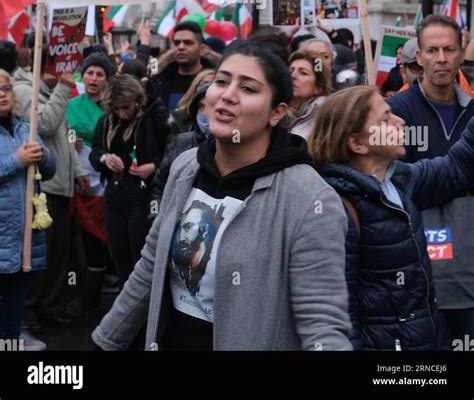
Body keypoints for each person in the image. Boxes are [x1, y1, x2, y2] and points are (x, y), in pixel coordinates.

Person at [92, 41, 352, 351]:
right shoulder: (186, 167)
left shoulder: (308, 199)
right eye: (221, 81)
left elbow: (321, 321)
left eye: (249, 89)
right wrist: (105, 341)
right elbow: (150, 267)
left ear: (277, 112)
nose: (227, 95)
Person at [309, 86, 474, 350]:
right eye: (385, 120)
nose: (401, 122)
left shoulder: (399, 180)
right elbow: (340, 317)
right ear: (357, 143)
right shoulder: (337, 208)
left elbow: (459, 167)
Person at [389, 15, 474, 346]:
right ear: (419, 56)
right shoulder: (395, 111)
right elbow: (394, 183)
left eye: (449, 49)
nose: (441, 59)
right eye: (433, 50)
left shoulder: (472, 109)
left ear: (461, 52)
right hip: (419, 256)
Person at [14, 49, 89, 330]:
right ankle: (29, 311)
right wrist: (63, 88)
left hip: (61, 183)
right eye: (60, 64)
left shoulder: (48, 90)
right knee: (41, 253)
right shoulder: (24, 90)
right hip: (45, 186)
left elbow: (64, 135)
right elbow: (44, 125)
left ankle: (48, 305)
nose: (66, 70)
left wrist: (78, 171)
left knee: (58, 252)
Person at [89, 74, 169, 288]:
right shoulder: (106, 120)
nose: (122, 113)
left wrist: (153, 166)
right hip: (115, 194)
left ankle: (146, 315)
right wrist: (106, 158)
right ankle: (125, 312)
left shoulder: (155, 116)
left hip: (143, 197)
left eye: (126, 107)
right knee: (119, 255)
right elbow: (95, 151)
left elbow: (174, 152)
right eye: (117, 108)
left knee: (140, 257)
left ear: (137, 101)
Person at [0, 69, 55, 345]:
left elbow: (51, 170)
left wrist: (43, 156)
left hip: (22, 238)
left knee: (13, 308)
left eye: (6, 88)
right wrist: (16, 160)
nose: (2, 94)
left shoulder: (26, 126)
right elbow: (15, 163)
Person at [66, 54, 112, 312]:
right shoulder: (71, 104)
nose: (93, 79)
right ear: (83, 76)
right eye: (90, 73)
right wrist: (70, 138)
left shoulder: (114, 107)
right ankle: (82, 296)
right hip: (76, 180)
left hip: (105, 184)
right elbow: (64, 131)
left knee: (101, 237)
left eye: (99, 74)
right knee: (80, 239)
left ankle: (96, 296)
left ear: (107, 79)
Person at [150, 83, 212, 217]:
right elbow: (160, 184)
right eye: (201, 106)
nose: (205, 113)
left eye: (212, 105)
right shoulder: (181, 142)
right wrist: (155, 216)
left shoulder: (235, 147)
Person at [148, 22, 218, 111]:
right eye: (176, 43)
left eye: (188, 43)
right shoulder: (158, 82)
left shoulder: (214, 82)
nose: (181, 47)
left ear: (201, 49)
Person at [287, 50, 331, 140]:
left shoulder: (326, 120)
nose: (293, 76)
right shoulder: (273, 109)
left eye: (303, 73)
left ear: (318, 88)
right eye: (290, 70)